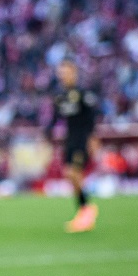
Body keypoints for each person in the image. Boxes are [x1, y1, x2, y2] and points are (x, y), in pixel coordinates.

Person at [48, 60, 100, 232]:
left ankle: (87, 209)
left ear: (74, 73)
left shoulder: (83, 94)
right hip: (69, 139)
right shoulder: (60, 96)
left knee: (73, 173)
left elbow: (91, 117)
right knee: (69, 174)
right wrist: (48, 131)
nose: (63, 75)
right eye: (61, 72)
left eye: (66, 72)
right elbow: (55, 118)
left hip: (81, 139)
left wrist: (92, 138)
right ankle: (84, 210)